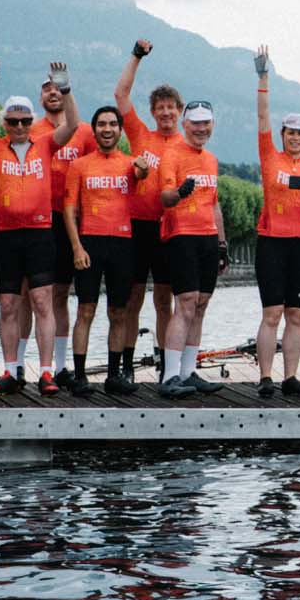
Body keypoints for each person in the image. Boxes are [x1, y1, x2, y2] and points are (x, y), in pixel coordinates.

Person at [0, 90, 61, 391]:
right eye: (13, 121)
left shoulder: (45, 144)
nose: (19, 126)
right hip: (8, 235)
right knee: (7, 305)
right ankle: (9, 371)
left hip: (40, 232)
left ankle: (46, 372)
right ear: (4, 122)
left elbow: (70, 126)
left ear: (32, 122)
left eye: (25, 121)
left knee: (43, 301)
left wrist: (65, 91)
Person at [253, 47, 300, 396]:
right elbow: (263, 117)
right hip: (271, 241)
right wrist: (264, 78)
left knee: (295, 315)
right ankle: (266, 377)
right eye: (291, 133)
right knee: (273, 313)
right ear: (283, 135)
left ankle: (291, 377)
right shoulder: (270, 157)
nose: (296, 138)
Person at [62, 104, 147, 392]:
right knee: (85, 310)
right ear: (95, 129)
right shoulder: (80, 165)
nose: (107, 129)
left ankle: (114, 376)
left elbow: (142, 175)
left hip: (122, 245)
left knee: (119, 312)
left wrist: (144, 169)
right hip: (90, 243)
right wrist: (76, 248)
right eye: (101, 124)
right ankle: (80, 376)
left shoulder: (130, 163)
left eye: (112, 124)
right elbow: (69, 208)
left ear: (120, 130)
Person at [114, 40, 184, 384]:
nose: (167, 113)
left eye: (172, 107)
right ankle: (126, 366)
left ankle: (164, 363)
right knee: (133, 299)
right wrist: (136, 57)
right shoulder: (141, 134)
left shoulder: (189, 145)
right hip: (138, 226)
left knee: (163, 301)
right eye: (161, 108)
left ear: (180, 112)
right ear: (154, 112)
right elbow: (121, 95)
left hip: (171, 228)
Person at [156, 100, 227, 393]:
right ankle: (169, 375)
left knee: (201, 305)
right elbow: (165, 197)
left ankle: (189, 371)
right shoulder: (172, 154)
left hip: (208, 237)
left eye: (205, 123)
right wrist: (180, 193)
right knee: (185, 303)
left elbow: (214, 204)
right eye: (195, 123)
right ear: (185, 125)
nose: (201, 128)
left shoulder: (211, 159)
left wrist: (222, 244)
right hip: (181, 234)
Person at [40, 63, 92, 379]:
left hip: (74, 220)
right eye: (47, 88)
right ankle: (17, 365)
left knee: (63, 294)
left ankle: (61, 366)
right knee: (34, 296)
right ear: (41, 96)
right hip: (40, 219)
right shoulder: (28, 129)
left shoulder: (84, 132)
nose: (53, 92)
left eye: (57, 87)